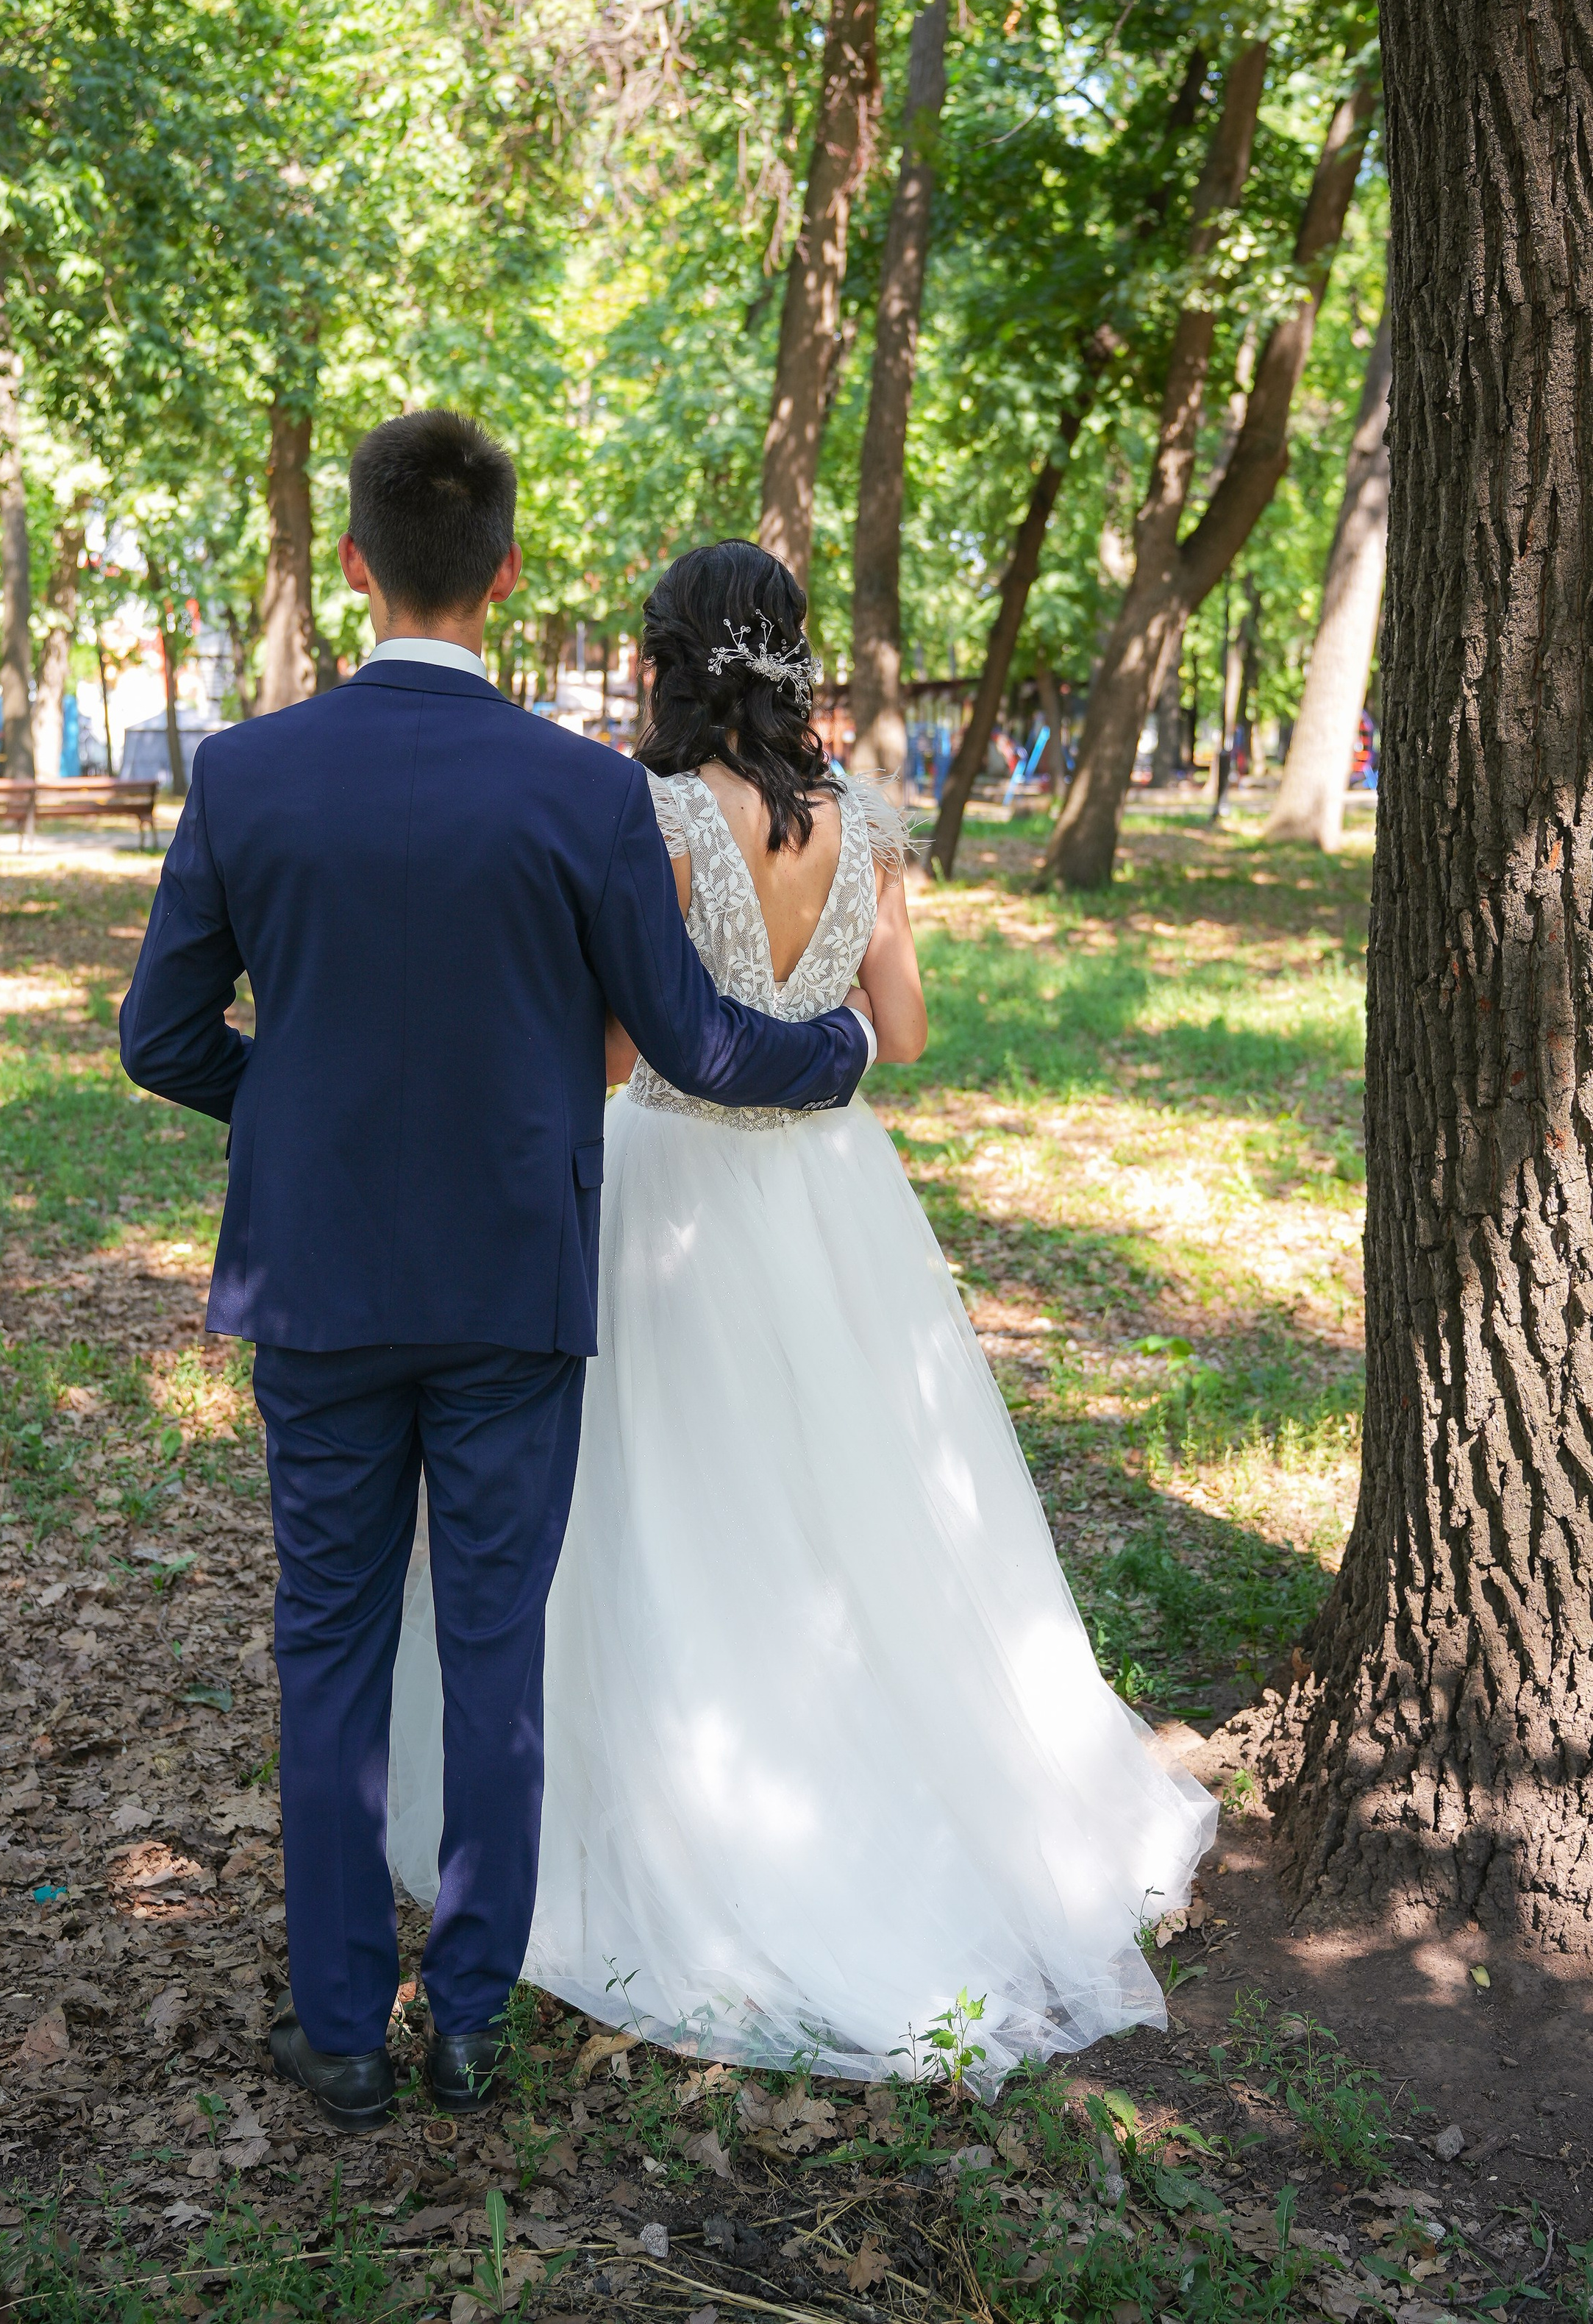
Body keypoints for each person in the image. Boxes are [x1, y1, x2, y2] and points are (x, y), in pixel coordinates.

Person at [117, 418, 874, 2133]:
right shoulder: (584, 790)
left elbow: (160, 1037)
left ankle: (335, 2034)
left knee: (325, 1644)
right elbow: (687, 1037)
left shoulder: (244, 772)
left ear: (358, 567)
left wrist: (295, 1113)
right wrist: (830, 1051)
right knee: (491, 1647)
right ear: (507, 575)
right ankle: (465, 2022)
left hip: (316, 1287)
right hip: (513, 1280)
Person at [386, 539, 1216, 2086]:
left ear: (668, 659)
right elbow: (896, 1028)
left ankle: (676, 1817)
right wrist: (803, 1017)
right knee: (862, 1502)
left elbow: (626, 1056)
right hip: (830, 1189)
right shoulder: (860, 822)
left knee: (662, 1506)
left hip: (673, 1192)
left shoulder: (649, 818)